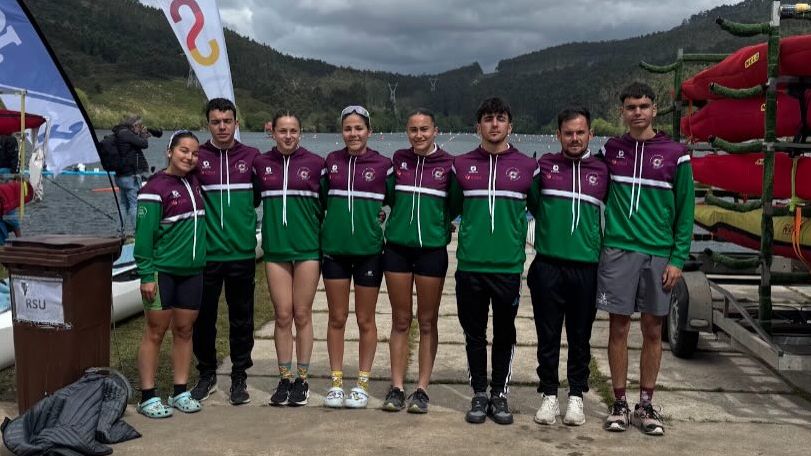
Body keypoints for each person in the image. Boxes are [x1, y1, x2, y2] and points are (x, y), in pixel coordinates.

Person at [598, 82, 694, 435]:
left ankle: (647, 404)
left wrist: (678, 259)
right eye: (630, 107)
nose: (637, 112)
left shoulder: (676, 153)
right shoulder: (612, 150)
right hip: (619, 251)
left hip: (658, 253)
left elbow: (686, 212)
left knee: (653, 329)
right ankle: (620, 403)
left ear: (655, 110)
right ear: (621, 113)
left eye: (643, 106)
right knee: (618, 327)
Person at [451, 97, 537, 425]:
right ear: (478, 126)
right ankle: (478, 392)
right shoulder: (461, 165)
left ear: (510, 125)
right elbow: (455, 208)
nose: (494, 124)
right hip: (471, 265)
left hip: (507, 266)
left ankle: (500, 394)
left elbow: (537, 208)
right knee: (474, 333)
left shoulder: (527, 167)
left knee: (504, 333)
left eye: (500, 118)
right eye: (488, 119)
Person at [527, 106, 608, 426]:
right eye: (568, 133)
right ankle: (549, 395)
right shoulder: (544, 167)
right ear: (557, 135)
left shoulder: (603, 171)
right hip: (548, 265)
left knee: (579, 336)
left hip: (585, 267)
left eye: (580, 132)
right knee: (547, 336)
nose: (574, 138)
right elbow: (533, 204)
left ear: (591, 134)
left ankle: (576, 396)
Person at [381, 109, 454, 413]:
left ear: (435, 130)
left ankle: (422, 388)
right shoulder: (397, 161)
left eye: (425, 129)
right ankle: (397, 386)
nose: (419, 135)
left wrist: (442, 225)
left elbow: (456, 203)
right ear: (407, 132)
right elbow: (385, 197)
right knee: (400, 320)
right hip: (397, 249)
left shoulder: (449, 165)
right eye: (413, 130)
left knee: (427, 321)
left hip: (431, 252)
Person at [321, 105, 393, 409]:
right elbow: (322, 198)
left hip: (368, 253)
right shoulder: (331, 162)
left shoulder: (383, 165)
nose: (353, 133)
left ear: (369, 131)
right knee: (337, 318)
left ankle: (362, 383)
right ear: (342, 132)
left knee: (365, 319)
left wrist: (377, 221)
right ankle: (337, 382)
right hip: (335, 252)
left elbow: (394, 201)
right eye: (348, 128)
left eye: (359, 128)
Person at [190, 98, 260, 406]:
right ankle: (206, 374)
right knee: (203, 319)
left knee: (241, 319)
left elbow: (258, 197)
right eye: (216, 121)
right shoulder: (197, 157)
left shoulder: (252, 157)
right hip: (206, 254)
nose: (222, 126)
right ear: (208, 124)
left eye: (227, 121)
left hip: (241, 253)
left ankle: (239, 376)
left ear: (236, 123)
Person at [133, 130, 206, 418]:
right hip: (162, 272)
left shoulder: (195, 182)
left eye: (194, 153)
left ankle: (180, 391)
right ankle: (148, 396)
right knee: (155, 332)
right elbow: (143, 239)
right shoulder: (154, 187)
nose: (189, 157)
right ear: (169, 151)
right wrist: (146, 274)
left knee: (185, 331)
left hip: (193, 272)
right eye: (183, 151)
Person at [254, 112, 324, 406]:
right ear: (273, 132)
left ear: (300, 132)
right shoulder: (261, 164)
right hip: (276, 251)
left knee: (302, 314)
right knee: (282, 315)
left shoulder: (316, 164)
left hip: (308, 249)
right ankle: (284, 378)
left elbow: (331, 202)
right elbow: (250, 199)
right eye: (282, 131)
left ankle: (303, 380)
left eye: (293, 130)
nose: (288, 136)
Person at [112, 115, 151, 231]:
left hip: (120, 175)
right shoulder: (127, 134)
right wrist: (143, 136)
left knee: (124, 204)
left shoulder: (119, 133)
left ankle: (120, 230)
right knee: (134, 205)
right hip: (130, 176)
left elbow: (133, 145)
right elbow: (144, 144)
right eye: (139, 126)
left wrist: (140, 135)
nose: (140, 128)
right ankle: (137, 231)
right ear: (134, 125)